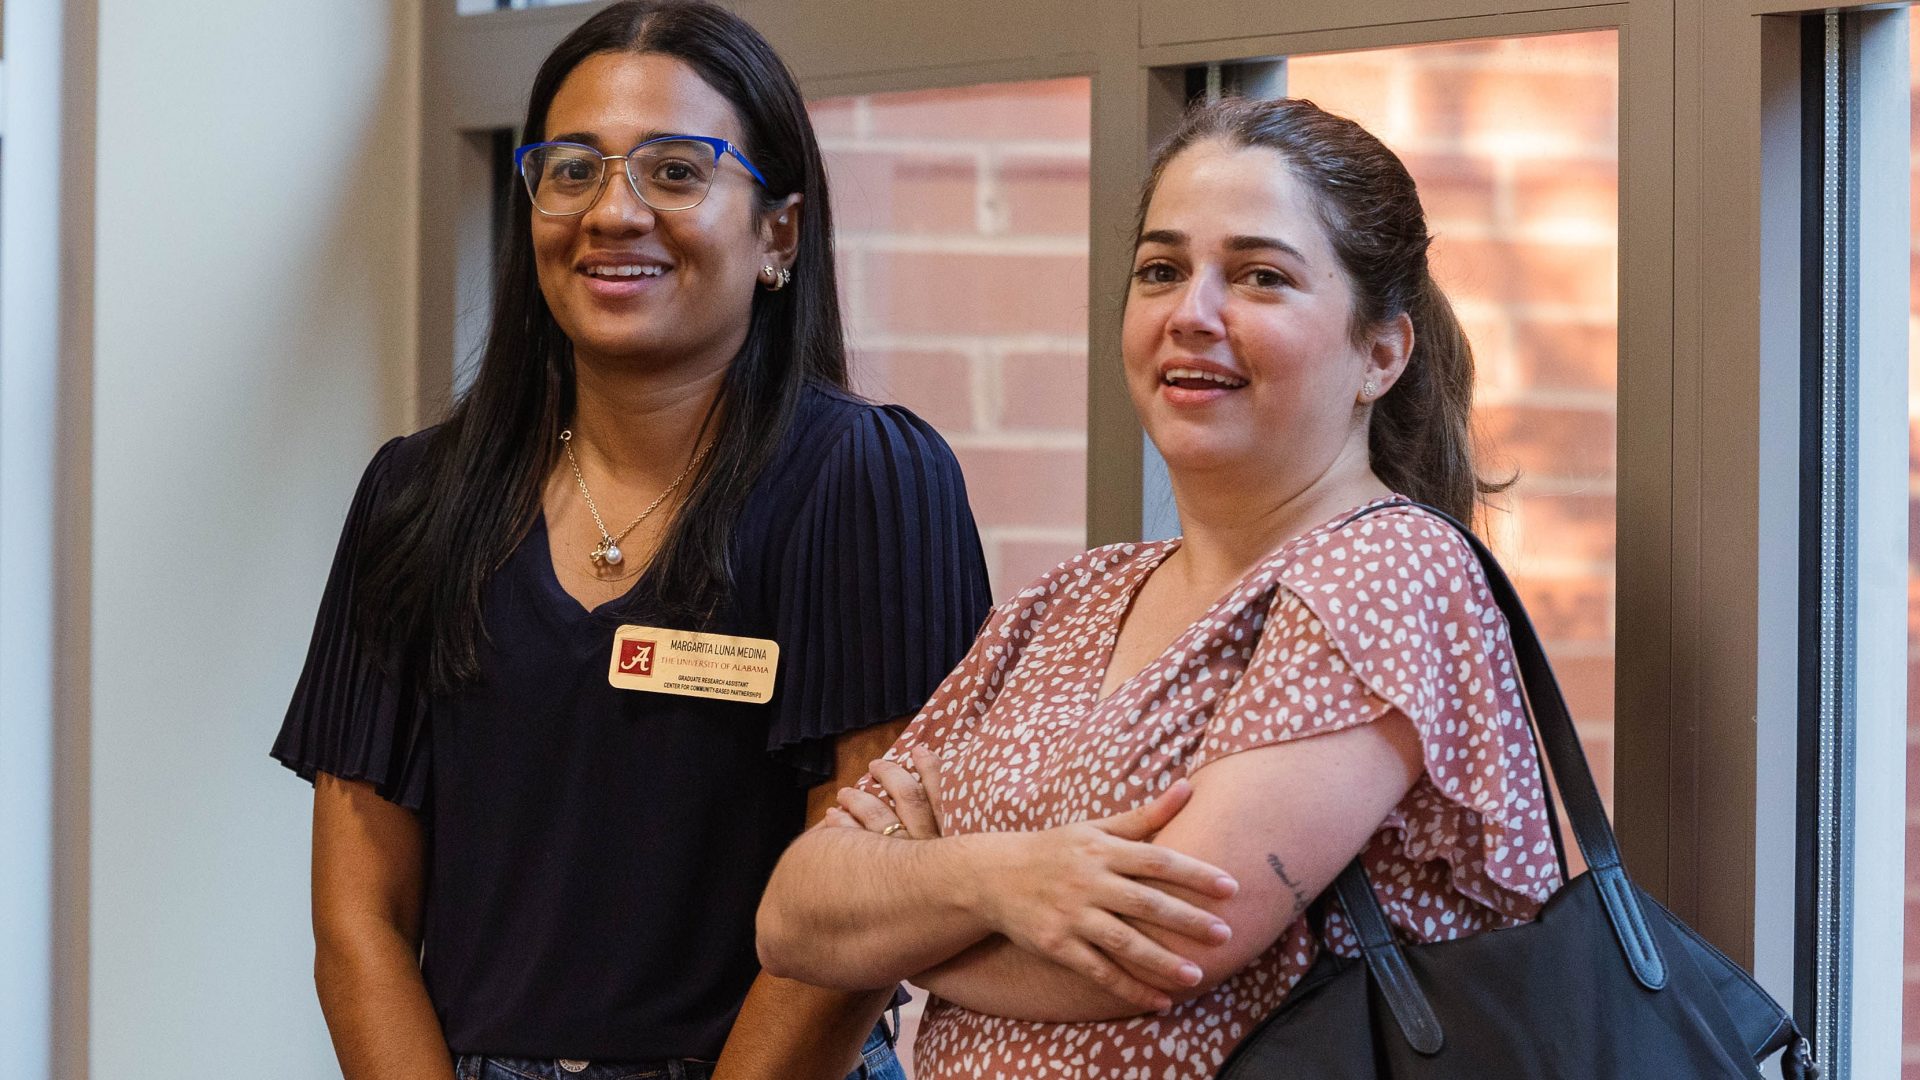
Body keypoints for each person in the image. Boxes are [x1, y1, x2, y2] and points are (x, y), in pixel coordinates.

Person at [756, 96, 1565, 1078]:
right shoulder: (1073, 597)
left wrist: (898, 916)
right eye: (1163, 270)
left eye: (1260, 277)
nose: (1193, 314)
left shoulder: (1390, 569)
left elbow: (1160, 945)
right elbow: (795, 915)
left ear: (1380, 353)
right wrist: (1003, 880)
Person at [270, 3, 990, 1078]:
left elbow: (861, 912)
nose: (613, 212)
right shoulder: (417, 497)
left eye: (676, 171)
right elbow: (358, 919)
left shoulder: (869, 482)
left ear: (779, 232)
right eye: (572, 170)